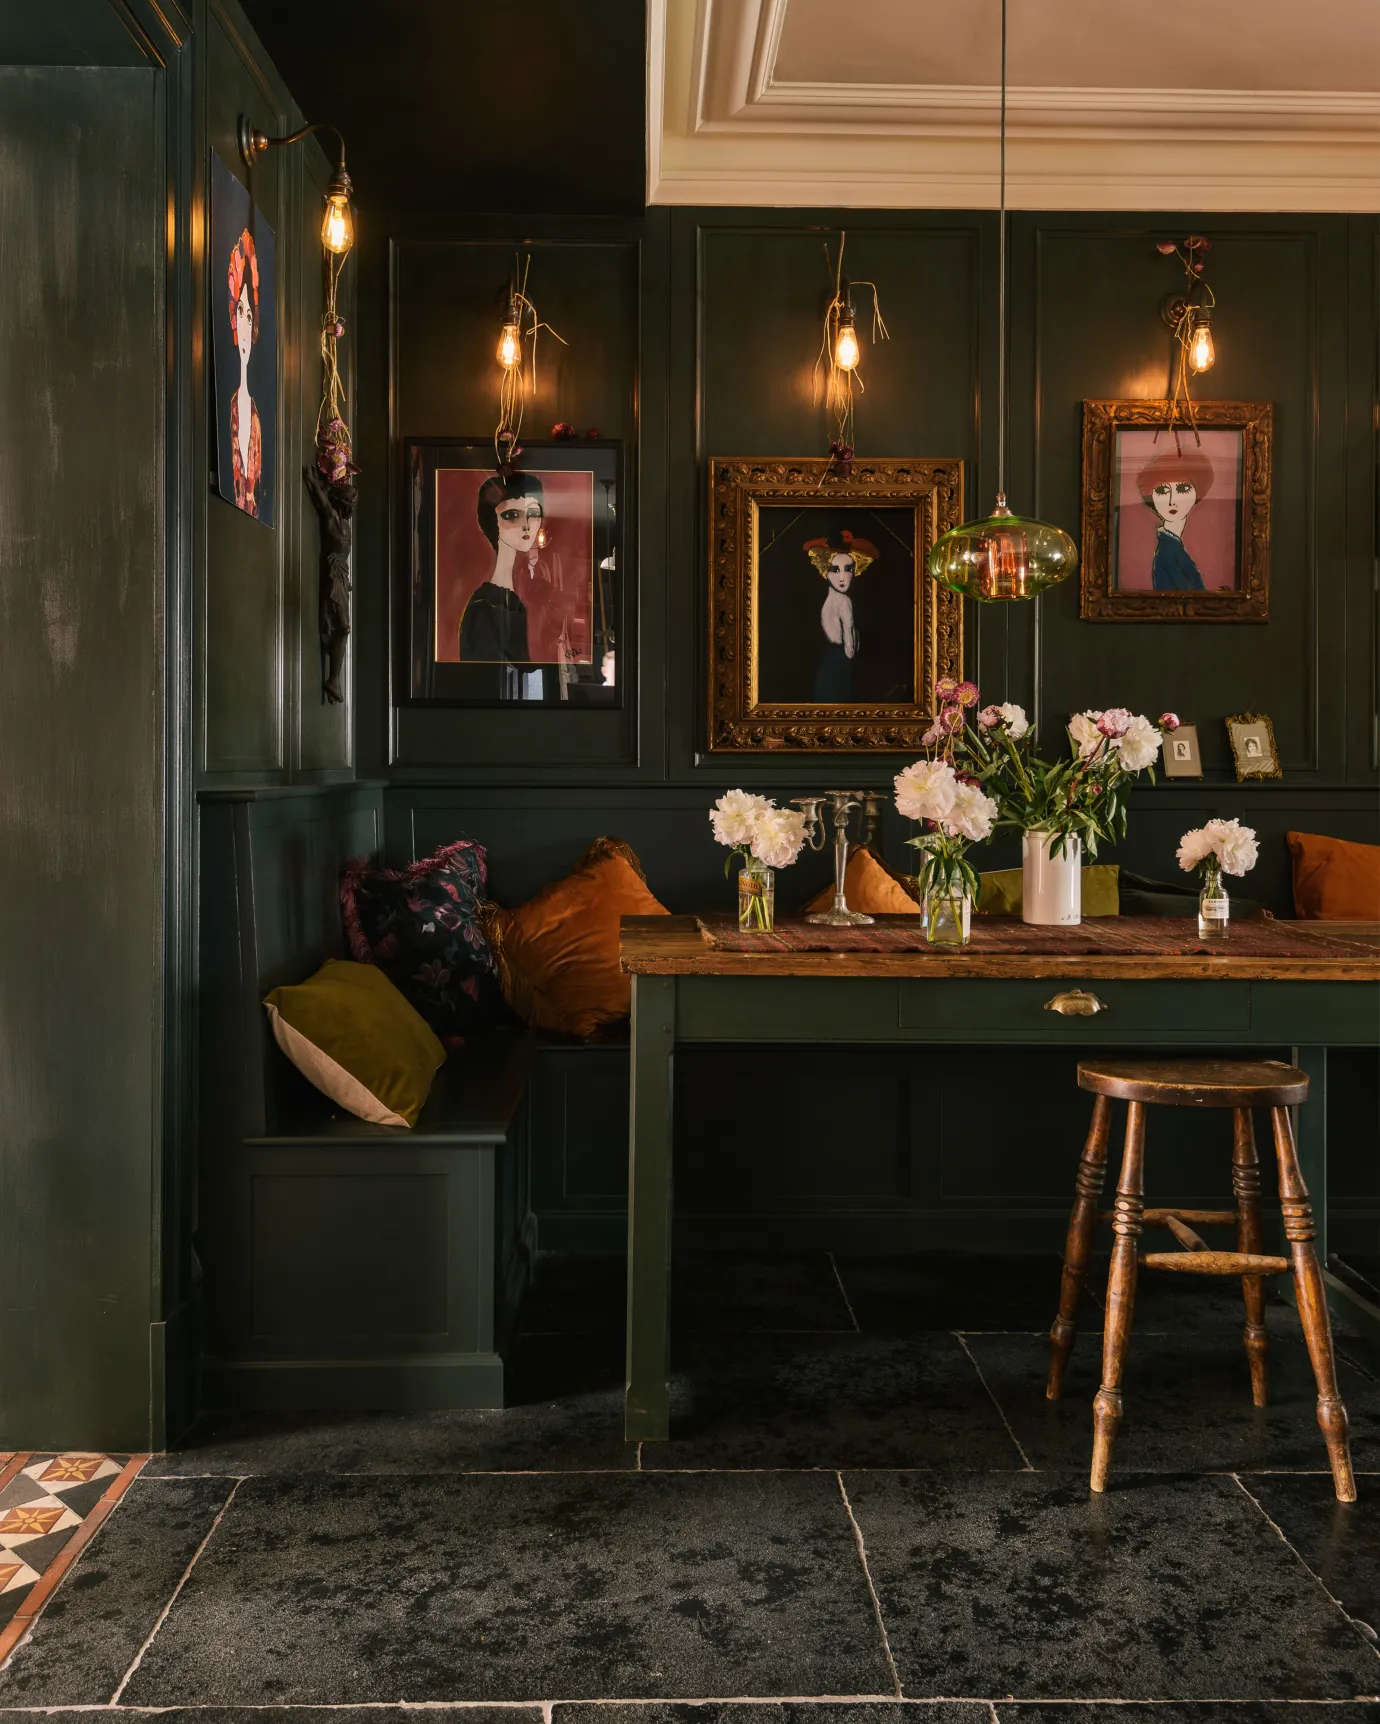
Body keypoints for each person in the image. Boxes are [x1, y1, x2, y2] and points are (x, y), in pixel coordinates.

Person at [459, 472, 546, 662]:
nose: (526, 525)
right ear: (493, 521)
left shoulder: (521, 596)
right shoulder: (485, 607)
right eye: (512, 515)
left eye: (533, 513)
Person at [804, 530, 876, 701]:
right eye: (835, 570)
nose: (842, 577)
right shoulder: (843, 601)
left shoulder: (830, 599)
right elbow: (849, 645)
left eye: (848, 569)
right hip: (840, 661)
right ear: (826, 572)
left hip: (830, 661)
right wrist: (851, 662)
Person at [1134, 446, 1215, 592]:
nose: (1172, 501)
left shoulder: (1173, 546)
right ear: (1151, 497)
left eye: (1182, 489)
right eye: (1162, 490)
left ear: (1196, 493)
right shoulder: (1167, 552)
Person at [228, 228, 263, 517]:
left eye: (249, 315)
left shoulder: (254, 417)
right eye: (240, 312)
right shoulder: (232, 410)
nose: (244, 324)